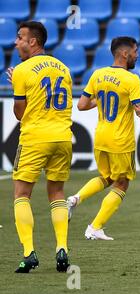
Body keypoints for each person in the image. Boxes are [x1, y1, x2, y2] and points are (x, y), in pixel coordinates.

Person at [67, 36, 140, 240]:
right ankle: (95, 227)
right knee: (122, 183)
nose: (137, 55)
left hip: (101, 137)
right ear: (125, 53)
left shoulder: (98, 74)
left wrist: (100, 99)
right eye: (135, 51)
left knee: (108, 178)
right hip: (120, 140)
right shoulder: (131, 79)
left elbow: (81, 105)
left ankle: (75, 198)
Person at [10, 21, 73, 273]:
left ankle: (29, 253)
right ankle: (62, 249)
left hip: (35, 138)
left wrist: (16, 80)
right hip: (63, 138)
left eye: (19, 38)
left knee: (22, 195)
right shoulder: (64, 68)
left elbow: (19, 113)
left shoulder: (23, 71)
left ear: (32, 42)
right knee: (57, 193)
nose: (16, 42)